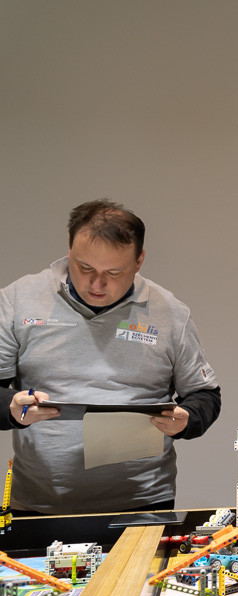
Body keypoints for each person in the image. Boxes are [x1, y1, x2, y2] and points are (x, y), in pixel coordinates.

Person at [0, 199, 221, 514]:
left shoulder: (169, 312)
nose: (97, 284)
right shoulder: (19, 300)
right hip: (39, 503)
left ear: (139, 260)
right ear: (69, 248)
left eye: (114, 272)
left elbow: (205, 395)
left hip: (143, 501)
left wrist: (187, 420)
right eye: (85, 268)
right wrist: (11, 408)